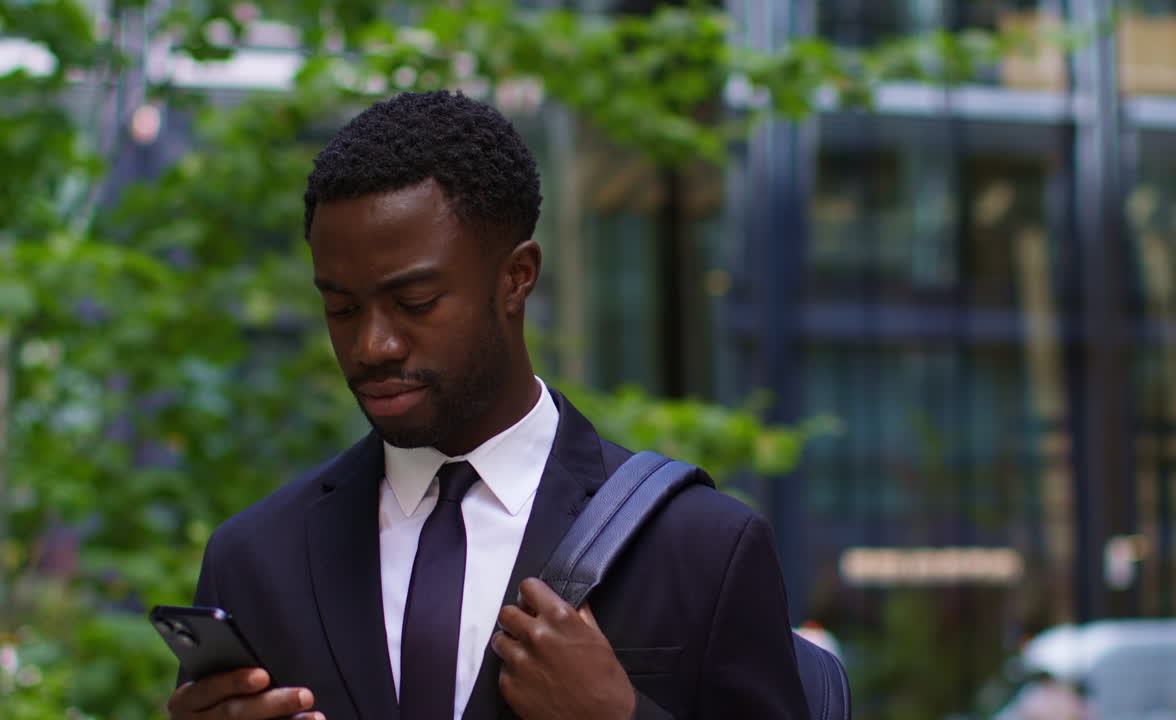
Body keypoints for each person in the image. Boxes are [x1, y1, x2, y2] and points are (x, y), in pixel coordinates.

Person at [166, 90, 809, 720]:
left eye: (415, 303)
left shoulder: (702, 547)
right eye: (341, 308)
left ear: (516, 277)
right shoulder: (252, 558)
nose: (371, 345)